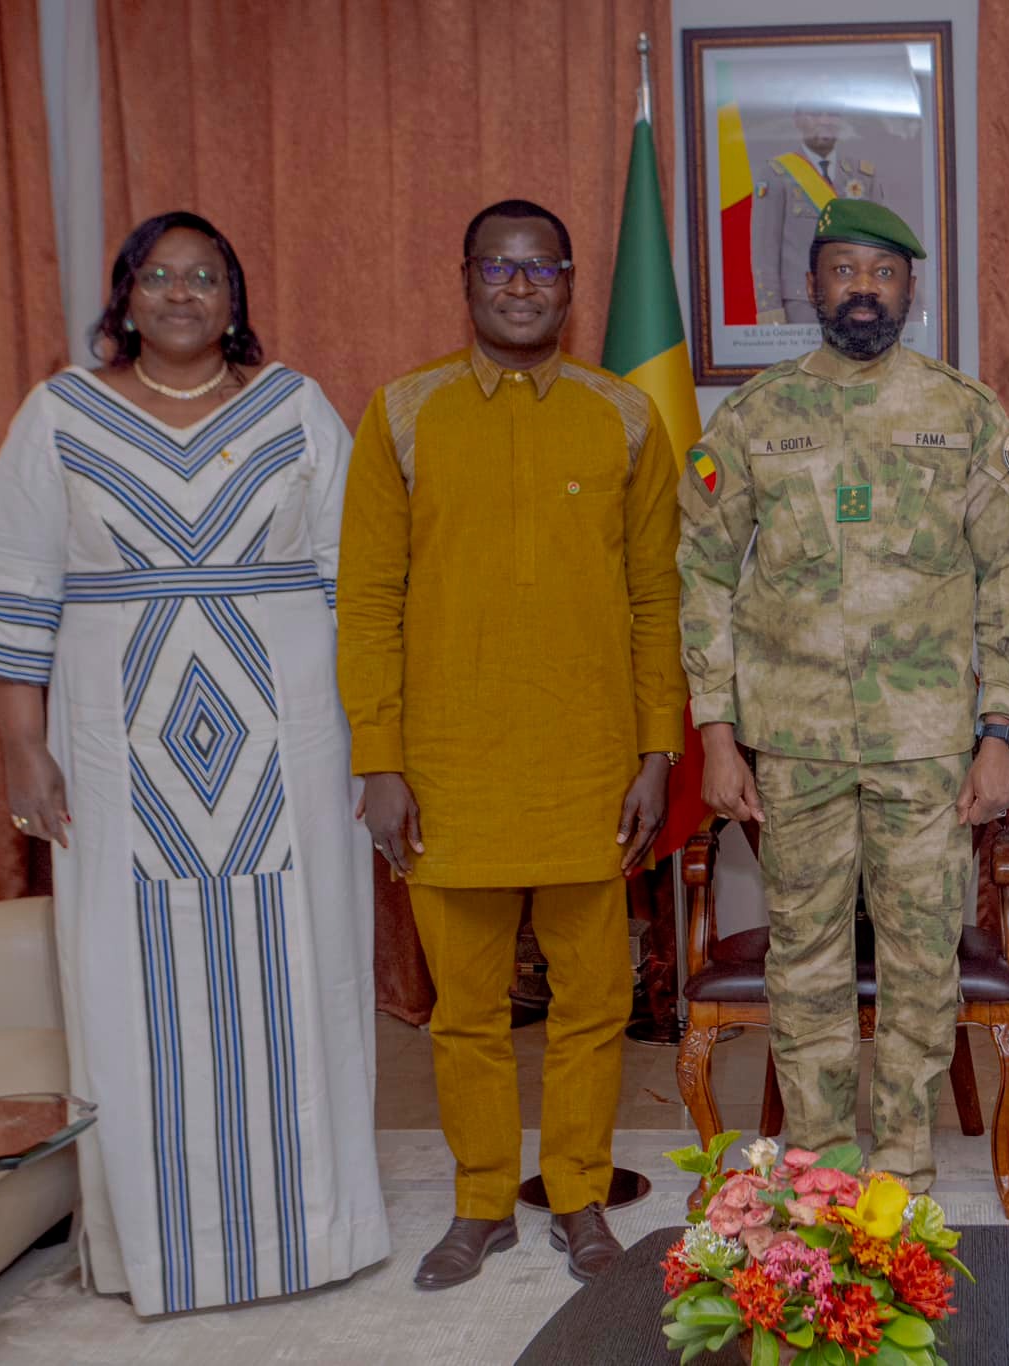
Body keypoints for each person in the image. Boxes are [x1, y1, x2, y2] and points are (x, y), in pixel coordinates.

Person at [0, 211, 388, 1315]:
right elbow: (11, 593)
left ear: (235, 296)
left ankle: (315, 1232)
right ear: (125, 297)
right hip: (114, 751)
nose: (183, 293)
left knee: (302, 960)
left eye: (206, 276)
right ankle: (159, 1247)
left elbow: (360, 582)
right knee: (132, 975)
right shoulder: (59, 414)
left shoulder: (294, 405)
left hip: (295, 742)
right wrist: (22, 753)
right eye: (160, 276)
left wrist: (379, 739)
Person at [336, 198, 685, 1288]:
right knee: (468, 1011)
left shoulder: (625, 416)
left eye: (543, 270)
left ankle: (579, 1195)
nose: (522, 286)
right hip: (447, 770)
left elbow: (654, 599)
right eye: (501, 266)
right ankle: (482, 1198)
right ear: (467, 278)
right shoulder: (401, 413)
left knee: (593, 1005)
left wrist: (656, 750)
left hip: (589, 766)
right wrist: (379, 761)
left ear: (574, 285)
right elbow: (368, 598)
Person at [680, 198, 1009, 1193]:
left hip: (925, 747)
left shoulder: (962, 414)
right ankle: (823, 1172)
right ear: (812, 285)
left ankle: (903, 1173)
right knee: (805, 962)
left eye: (883, 275)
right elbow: (703, 574)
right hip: (791, 746)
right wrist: (716, 732)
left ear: (911, 289)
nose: (864, 292)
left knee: (923, 959)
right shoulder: (756, 416)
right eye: (843, 272)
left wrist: (997, 731)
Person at [752, 93, 885, 324]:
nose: (824, 120)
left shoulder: (862, 175)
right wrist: (770, 310)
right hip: (800, 305)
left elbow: (881, 247)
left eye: (832, 114)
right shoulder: (776, 175)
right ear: (797, 119)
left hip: (855, 302)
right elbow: (765, 250)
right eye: (815, 113)